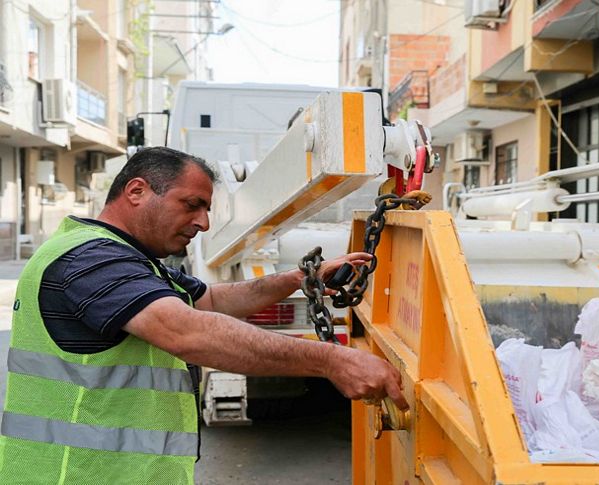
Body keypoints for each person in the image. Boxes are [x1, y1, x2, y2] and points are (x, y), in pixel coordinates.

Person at [0, 147, 407, 484]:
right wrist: (332, 359)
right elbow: (187, 332)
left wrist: (297, 278)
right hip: (75, 475)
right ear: (137, 191)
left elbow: (210, 299)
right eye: (191, 205)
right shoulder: (90, 260)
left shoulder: (129, 259)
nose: (203, 222)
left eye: (207, 209)